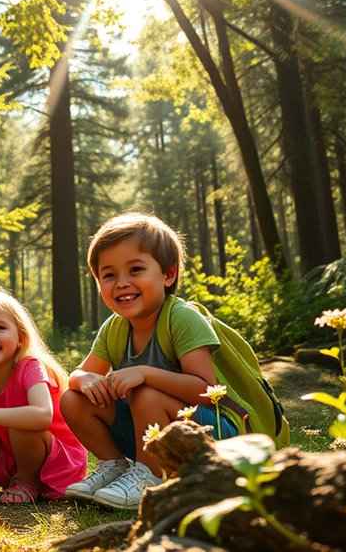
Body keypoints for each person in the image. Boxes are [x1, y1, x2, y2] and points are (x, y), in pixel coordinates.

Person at [61, 212, 239, 509]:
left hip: (211, 436)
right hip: (151, 433)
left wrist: (145, 373)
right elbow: (78, 374)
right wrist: (85, 379)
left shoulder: (181, 319)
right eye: (109, 275)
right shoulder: (114, 328)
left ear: (168, 274)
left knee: (144, 392)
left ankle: (150, 476)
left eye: (135, 270)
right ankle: (116, 467)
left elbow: (208, 392)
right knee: (73, 399)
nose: (121, 283)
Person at [0, 285, 86, 504]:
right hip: (11, 461)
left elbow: (42, 415)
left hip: (55, 463)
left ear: (20, 336)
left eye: (0, 328)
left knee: (23, 425)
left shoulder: (30, 367)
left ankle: (27, 481)